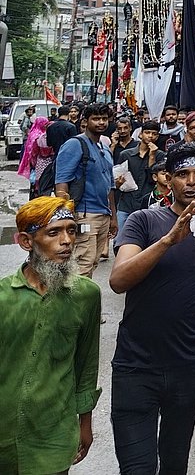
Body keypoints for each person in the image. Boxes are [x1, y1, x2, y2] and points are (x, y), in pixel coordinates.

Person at [109, 141, 195, 475]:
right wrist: (167, 241)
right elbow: (118, 280)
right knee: (138, 468)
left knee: (175, 462)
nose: (191, 182)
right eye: (182, 174)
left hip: (188, 368)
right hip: (136, 367)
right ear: (168, 179)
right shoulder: (143, 221)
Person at [0, 197, 101, 474]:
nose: (67, 241)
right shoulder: (3, 297)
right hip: (4, 431)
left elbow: (86, 365)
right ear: (26, 241)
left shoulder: (86, 295)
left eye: (71, 230)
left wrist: (85, 424)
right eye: (53, 232)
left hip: (53, 433)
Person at [55, 102, 115, 279]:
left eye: (104, 118)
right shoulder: (75, 144)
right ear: (85, 121)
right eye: (96, 119)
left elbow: (110, 185)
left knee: (93, 262)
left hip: (103, 214)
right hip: (83, 214)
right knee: (82, 264)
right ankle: (73, 297)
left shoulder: (104, 147)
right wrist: (65, 216)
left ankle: (82, 295)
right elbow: (61, 182)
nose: (101, 122)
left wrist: (113, 216)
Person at [115, 119, 161, 233]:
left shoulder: (160, 156)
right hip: (126, 203)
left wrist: (152, 157)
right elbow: (117, 177)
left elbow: (153, 180)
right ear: (141, 134)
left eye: (154, 134)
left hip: (147, 204)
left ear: (157, 136)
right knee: (120, 236)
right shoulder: (126, 154)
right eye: (147, 132)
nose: (150, 136)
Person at [17, 113, 53, 195]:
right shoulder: (42, 135)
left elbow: (32, 152)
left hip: (37, 162)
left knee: (36, 182)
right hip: (44, 162)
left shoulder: (33, 133)